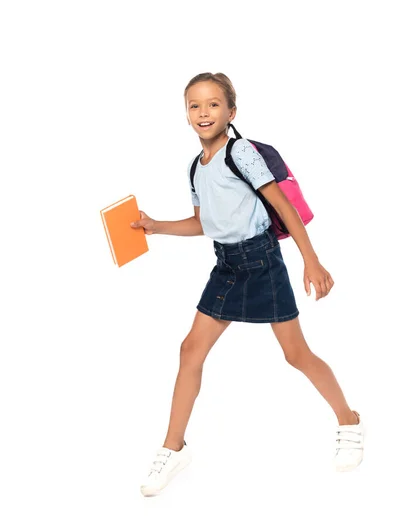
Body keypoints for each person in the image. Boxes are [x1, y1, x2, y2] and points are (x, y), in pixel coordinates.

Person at [131, 72, 365, 497]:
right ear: (186, 115)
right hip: (226, 265)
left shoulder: (241, 152)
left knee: (296, 354)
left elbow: (282, 206)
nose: (204, 112)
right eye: (195, 105)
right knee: (190, 351)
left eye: (213, 104)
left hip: (261, 262)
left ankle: (349, 420)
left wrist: (311, 261)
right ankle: (173, 447)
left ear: (231, 112)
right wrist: (156, 227)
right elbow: (204, 223)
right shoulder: (195, 167)